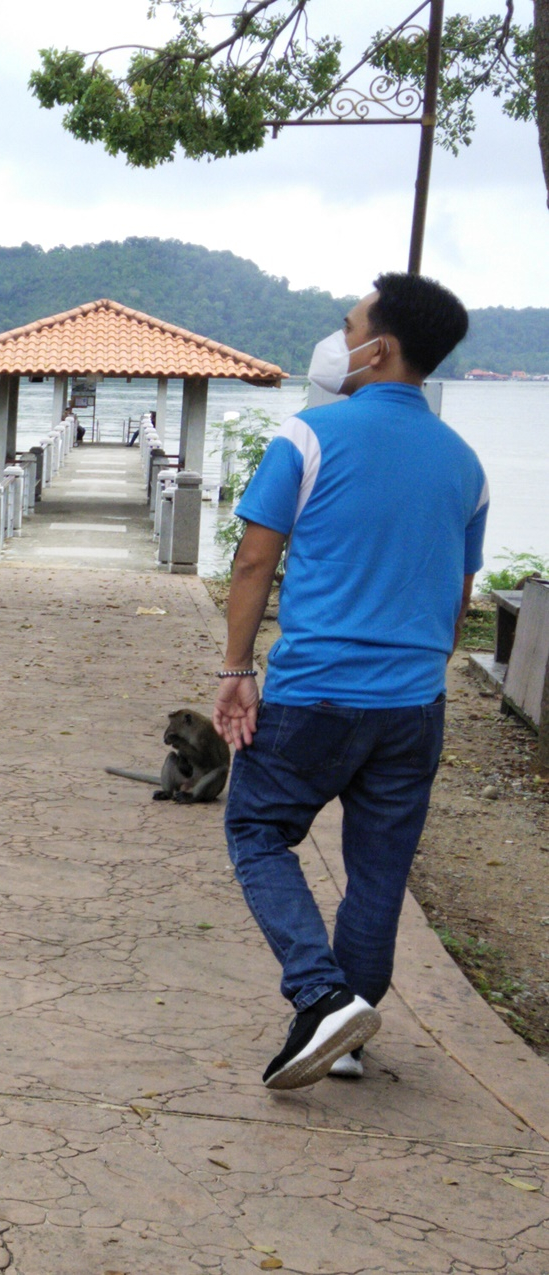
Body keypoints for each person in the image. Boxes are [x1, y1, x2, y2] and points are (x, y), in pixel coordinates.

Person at [216, 272, 486, 1091]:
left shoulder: (308, 436)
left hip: (314, 693)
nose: (340, 338)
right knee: (378, 870)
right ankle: (351, 1032)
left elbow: (255, 558)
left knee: (257, 829)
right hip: (411, 706)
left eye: (350, 323)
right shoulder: (465, 463)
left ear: (382, 346)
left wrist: (236, 670)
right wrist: (413, 676)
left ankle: (321, 994)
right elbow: (457, 597)